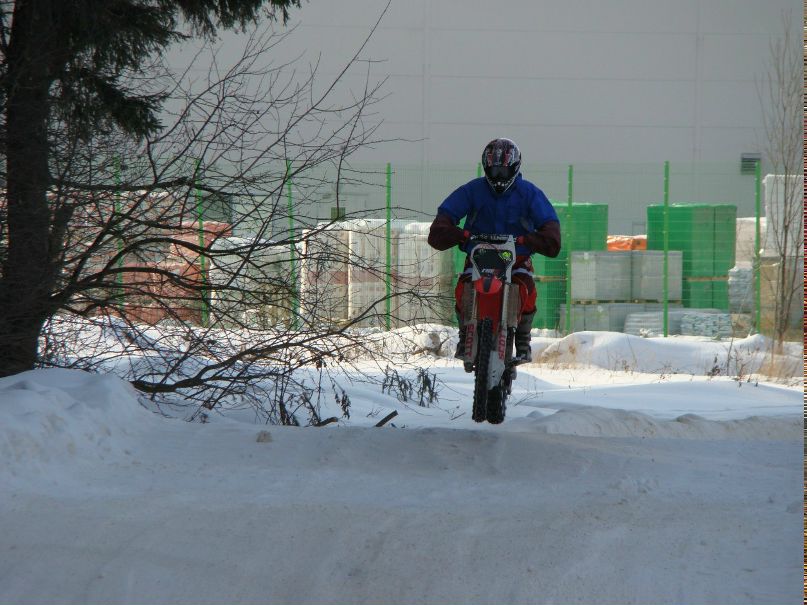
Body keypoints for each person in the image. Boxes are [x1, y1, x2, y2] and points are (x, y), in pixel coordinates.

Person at [427, 138, 561, 363]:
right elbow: (446, 215)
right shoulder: (472, 190)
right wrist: (453, 231)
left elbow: (550, 226)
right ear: (486, 167)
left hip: (517, 258)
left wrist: (534, 238)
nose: (499, 176)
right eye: (494, 170)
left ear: (515, 167)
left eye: (503, 170)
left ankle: (523, 338)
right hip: (479, 257)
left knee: (527, 288)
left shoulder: (529, 194)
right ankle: (464, 335)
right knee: (463, 289)